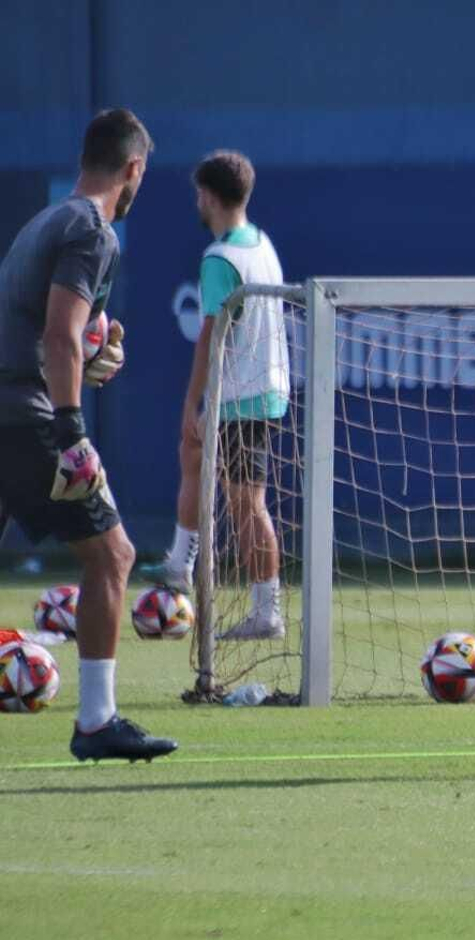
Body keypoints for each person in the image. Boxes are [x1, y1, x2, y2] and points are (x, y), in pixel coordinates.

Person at [0, 108, 176, 762]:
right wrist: (72, 430)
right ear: (133, 168)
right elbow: (59, 333)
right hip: (30, 416)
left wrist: (89, 355)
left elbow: (54, 333)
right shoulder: (93, 230)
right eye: (142, 176)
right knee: (113, 556)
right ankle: (97, 721)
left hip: (8, 404)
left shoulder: (44, 222)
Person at [141, 150, 289, 641]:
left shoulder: (219, 258)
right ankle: (180, 563)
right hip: (259, 388)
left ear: (207, 196)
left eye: (198, 195)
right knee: (194, 454)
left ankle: (266, 612)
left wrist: (194, 402)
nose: (197, 203)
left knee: (247, 504)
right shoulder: (261, 242)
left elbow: (210, 336)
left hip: (243, 394)